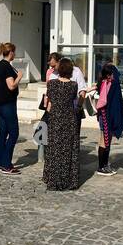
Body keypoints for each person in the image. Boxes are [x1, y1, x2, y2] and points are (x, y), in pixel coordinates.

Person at [43, 58, 82, 190]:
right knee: (68, 149)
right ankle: (68, 179)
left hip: (55, 118)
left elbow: (49, 103)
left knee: (54, 148)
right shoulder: (73, 85)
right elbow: (75, 101)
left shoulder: (52, 84)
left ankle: (53, 178)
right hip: (69, 119)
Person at [0, 43, 23, 174]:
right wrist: (19, 77)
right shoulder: (7, 67)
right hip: (7, 103)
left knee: (3, 131)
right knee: (14, 132)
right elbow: (11, 86)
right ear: (11, 52)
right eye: (14, 52)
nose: (14, 55)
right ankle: (6, 164)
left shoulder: (0, 65)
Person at [95, 62, 123, 176]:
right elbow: (102, 102)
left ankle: (104, 164)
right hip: (105, 115)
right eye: (113, 73)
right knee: (104, 140)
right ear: (109, 75)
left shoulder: (106, 82)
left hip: (105, 115)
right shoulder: (108, 84)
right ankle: (102, 167)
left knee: (106, 140)